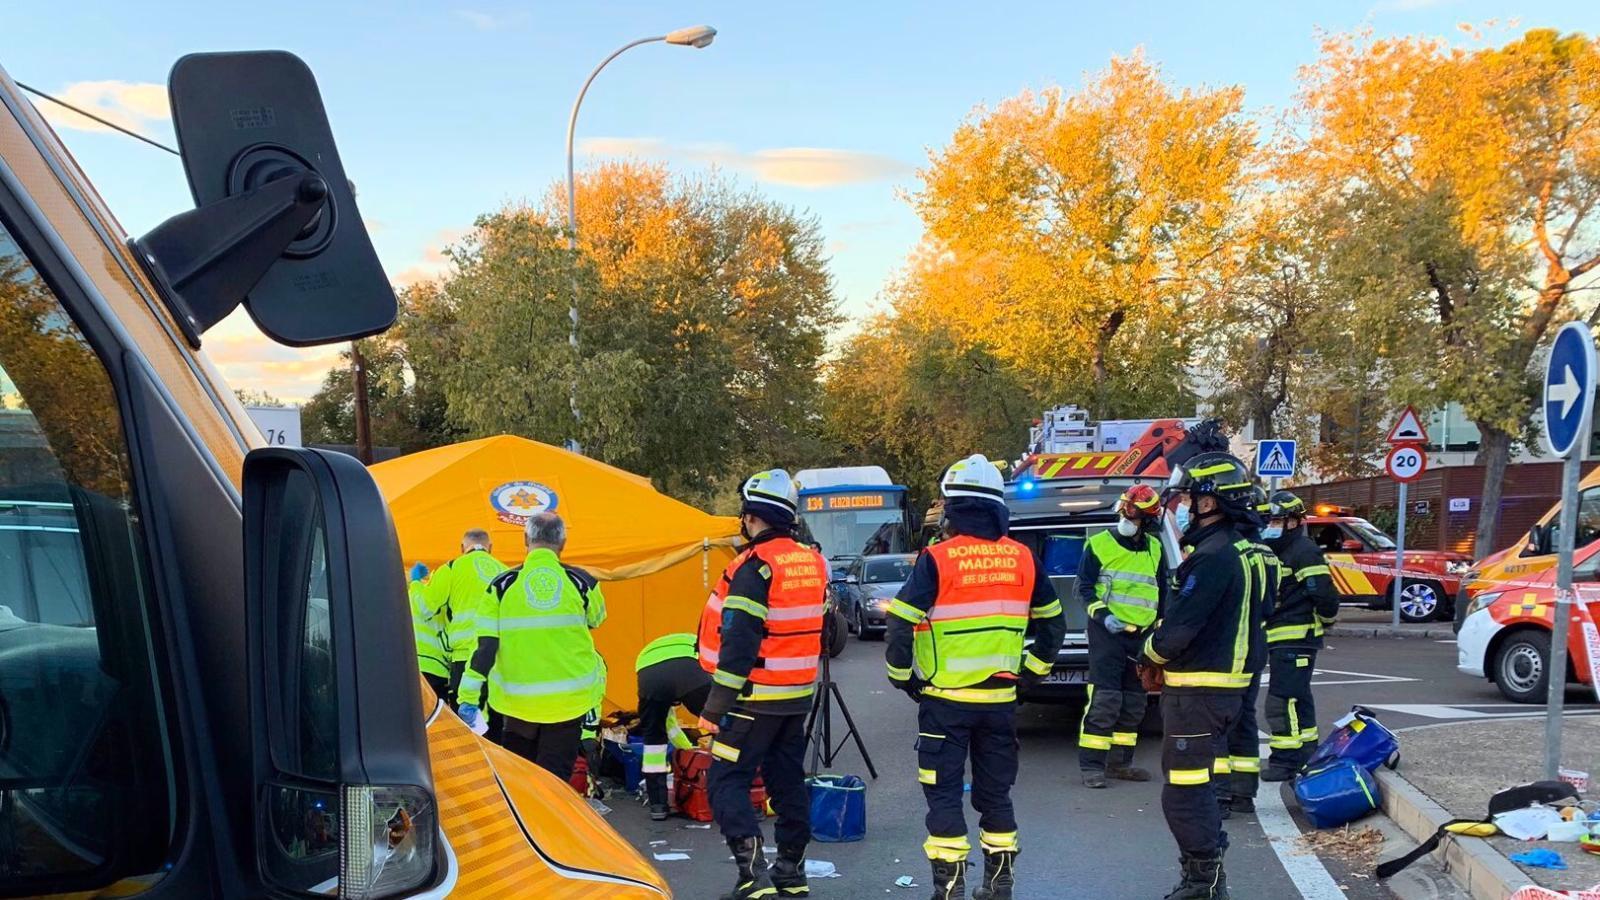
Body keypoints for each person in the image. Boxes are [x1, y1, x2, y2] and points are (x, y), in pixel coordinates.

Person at [886, 454, 1066, 900]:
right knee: (996, 795)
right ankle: (999, 884)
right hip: (1000, 702)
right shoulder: (1023, 558)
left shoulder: (937, 558)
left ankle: (949, 890)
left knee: (944, 794)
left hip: (945, 702)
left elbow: (900, 621)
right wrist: (1030, 677)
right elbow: (1053, 625)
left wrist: (902, 677)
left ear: (953, 508)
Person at [696, 470, 825, 900]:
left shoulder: (755, 567)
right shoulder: (811, 561)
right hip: (796, 696)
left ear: (751, 517)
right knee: (787, 782)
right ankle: (791, 871)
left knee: (726, 782)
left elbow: (739, 642)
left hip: (752, 700)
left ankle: (753, 877)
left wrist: (714, 708)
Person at [1142, 452, 1264, 900]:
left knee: (1184, 794)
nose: (1185, 508)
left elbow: (1181, 628)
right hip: (1224, 691)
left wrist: (1148, 653)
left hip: (1198, 693)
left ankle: (1204, 882)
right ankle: (1207, 878)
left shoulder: (1212, 557)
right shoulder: (1248, 552)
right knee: (1201, 789)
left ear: (1210, 503)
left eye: (1190, 499)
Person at [457, 512, 607, 780]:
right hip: (568, 704)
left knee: (520, 781)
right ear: (563, 543)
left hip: (517, 705)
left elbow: (485, 647)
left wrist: (468, 698)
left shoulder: (501, 585)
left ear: (526, 540)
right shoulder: (583, 582)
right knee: (555, 784)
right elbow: (597, 618)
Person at [1078, 484, 1167, 789]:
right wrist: (1104, 615)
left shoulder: (1155, 548)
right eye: (1125, 508)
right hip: (1108, 634)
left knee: (1133, 703)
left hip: (1141, 637)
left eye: (1132, 511)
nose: (1125, 515)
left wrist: (1160, 627)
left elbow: (1162, 592)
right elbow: (1084, 589)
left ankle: (1120, 764)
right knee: (1105, 700)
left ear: (1148, 519)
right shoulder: (1099, 544)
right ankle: (1091, 766)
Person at [1260, 490, 1339, 782]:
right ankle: (1307, 756)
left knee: (1281, 702)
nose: (1271, 526)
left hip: (1296, 637)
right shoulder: (1275, 550)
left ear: (1293, 522)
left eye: (1277, 520)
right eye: (1270, 520)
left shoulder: (1303, 550)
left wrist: (1326, 620)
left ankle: (1285, 762)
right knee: (1299, 699)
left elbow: (1323, 593)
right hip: (1282, 637)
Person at [1217, 487, 1278, 818]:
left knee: (1217, 722)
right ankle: (1243, 793)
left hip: (1228, 648)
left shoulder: (1230, 551)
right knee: (1244, 719)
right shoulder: (1267, 553)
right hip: (1255, 647)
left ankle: (1220, 795)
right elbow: (1269, 605)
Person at [421, 528, 508, 705]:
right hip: (499, 660)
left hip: (464, 658)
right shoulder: (506, 573)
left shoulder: (451, 568)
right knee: (494, 717)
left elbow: (426, 608)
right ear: (490, 547)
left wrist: (416, 584)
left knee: (463, 717)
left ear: (462, 547)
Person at [636, 632, 712, 820]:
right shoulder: (701, 642)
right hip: (690, 666)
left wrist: (686, 748)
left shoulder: (651, 653)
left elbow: (668, 724)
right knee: (722, 726)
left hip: (649, 672)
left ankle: (658, 806)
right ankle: (737, 795)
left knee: (653, 744)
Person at [409, 562, 451, 700]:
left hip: (416, 665)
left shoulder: (412, 595)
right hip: (437, 669)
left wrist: (415, 582)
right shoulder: (440, 600)